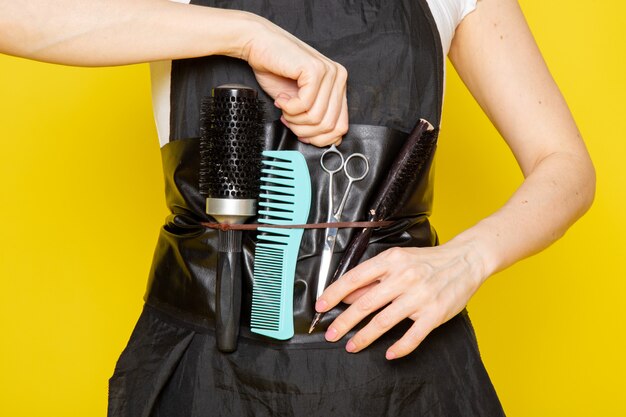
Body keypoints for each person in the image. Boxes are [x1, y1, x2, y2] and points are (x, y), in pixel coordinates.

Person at [1, 0, 595, 416]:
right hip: (206, 370)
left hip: (401, 373)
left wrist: (467, 258)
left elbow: (565, 167)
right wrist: (244, 33)